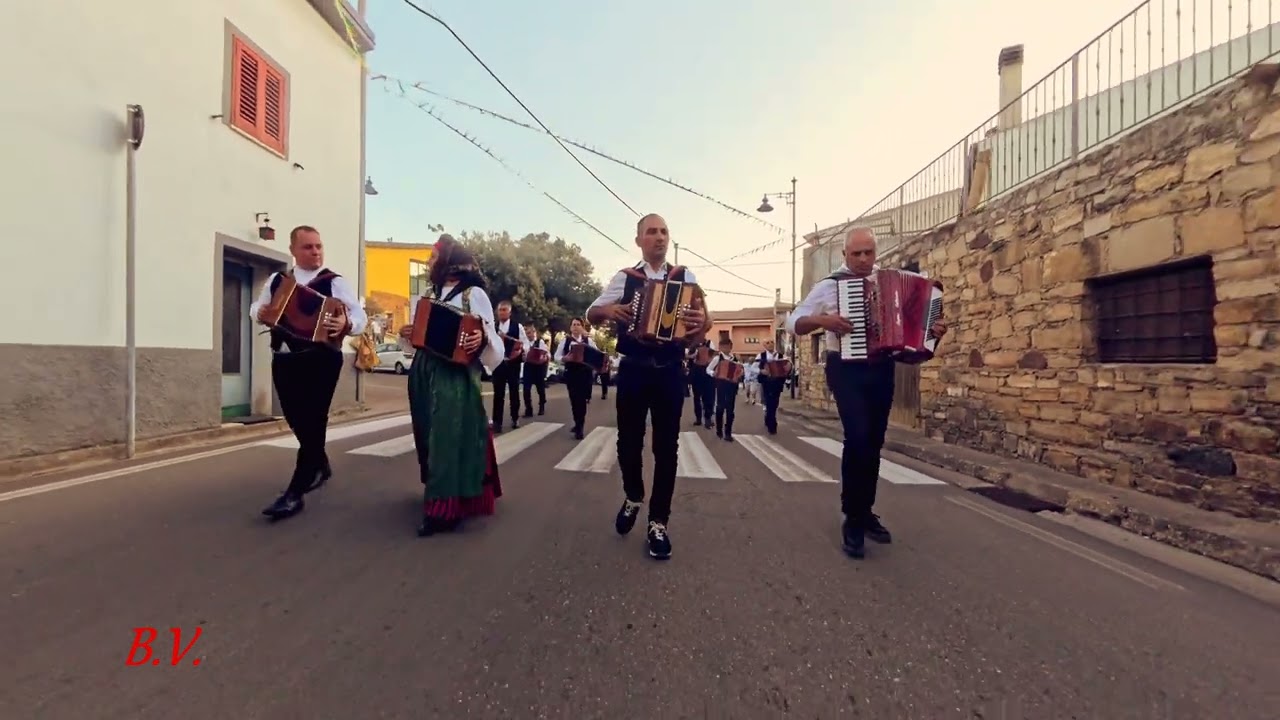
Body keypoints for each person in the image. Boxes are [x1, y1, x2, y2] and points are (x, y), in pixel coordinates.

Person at [786, 226, 948, 559]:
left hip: (882, 368)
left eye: (868, 253)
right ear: (844, 255)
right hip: (845, 368)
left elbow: (916, 338)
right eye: (856, 253)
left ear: (875, 253)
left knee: (873, 441)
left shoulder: (890, 281)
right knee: (857, 437)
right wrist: (824, 321)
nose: (862, 259)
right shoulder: (830, 285)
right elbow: (794, 322)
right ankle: (852, 516)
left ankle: (866, 511)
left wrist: (932, 332)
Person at [586, 213, 711, 560]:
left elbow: (703, 324)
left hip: (671, 370)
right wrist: (612, 311)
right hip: (634, 370)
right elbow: (592, 313)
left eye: (664, 231)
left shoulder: (685, 277)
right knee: (627, 441)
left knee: (666, 448)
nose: (659, 237)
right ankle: (634, 494)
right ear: (639, 240)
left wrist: (703, 322)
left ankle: (659, 523)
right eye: (651, 232)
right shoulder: (626, 278)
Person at [250, 225, 368, 520]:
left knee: (314, 419)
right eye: (308, 247)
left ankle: (295, 492)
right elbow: (257, 307)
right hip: (285, 359)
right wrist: (259, 313)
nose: (316, 252)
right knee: (296, 419)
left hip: (321, 359)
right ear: (293, 250)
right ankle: (319, 460)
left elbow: (359, 315)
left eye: (318, 246)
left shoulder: (334, 282)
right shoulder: (278, 280)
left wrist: (346, 325)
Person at [404, 234, 506, 537]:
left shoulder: (473, 295)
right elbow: (414, 342)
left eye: (434, 258)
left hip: (455, 376)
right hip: (423, 371)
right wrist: (407, 333)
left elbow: (494, 342)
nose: (429, 262)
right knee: (427, 435)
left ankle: (444, 510)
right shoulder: (429, 294)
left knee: (446, 439)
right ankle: (442, 491)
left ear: (449, 262)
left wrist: (482, 338)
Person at [553, 318, 598, 440]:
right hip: (572, 373)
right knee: (574, 399)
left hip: (585, 373)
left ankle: (580, 427)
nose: (576, 326)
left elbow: (597, 353)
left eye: (578, 324)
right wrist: (564, 359)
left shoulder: (588, 340)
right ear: (570, 327)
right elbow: (556, 356)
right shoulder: (566, 341)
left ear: (582, 327)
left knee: (582, 400)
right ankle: (577, 422)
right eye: (574, 324)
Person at [490, 300, 525, 432]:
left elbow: (524, 343)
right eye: (500, 310)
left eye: (505, 310)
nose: (502, 312)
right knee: (498, 393)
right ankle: (497, 422)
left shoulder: (518, 327)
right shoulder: (493, 326)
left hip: (513, 364)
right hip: (498, 363)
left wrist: (521, 351)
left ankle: (514, 418)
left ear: (509, 312)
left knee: (514, 391)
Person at [705, 338, 742, 441]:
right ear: (720, 347)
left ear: (731, 347)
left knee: (730, 410)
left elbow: (739, 370)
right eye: (724, 346)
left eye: (728, 346)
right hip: (721, 383)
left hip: (732, 385)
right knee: (720, 407)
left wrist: (739, 374)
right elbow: (708, 369)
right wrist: (714, 374)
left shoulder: (735, 358)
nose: (726, 348)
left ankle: (728, 433)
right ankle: (719, 430)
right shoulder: (717, 358)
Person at [756, 339, 786, 434]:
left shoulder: (781, 356)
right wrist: (761, 371)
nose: (770, 344)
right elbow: (753, 367)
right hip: (766, 382)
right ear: (764, 345)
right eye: (767, 343)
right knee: (769, 402)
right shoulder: (761, 355)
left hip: (777, 382)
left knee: (775, 402)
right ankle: (772, 425)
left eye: (772, 342)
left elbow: (788, 365)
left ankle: (769, 417)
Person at [520, 324, 548, 417]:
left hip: (539, 367)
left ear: (534, 332)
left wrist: (542, 358)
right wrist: (523, 357)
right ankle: (529, 409)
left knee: (540, 389)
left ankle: (542, 407)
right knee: (526, 389)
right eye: (526, 333)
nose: (528, 335)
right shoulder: (524, 343)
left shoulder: (540, 342)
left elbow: (547, 355)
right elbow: (522, 356)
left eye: (529, 333)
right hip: (528, 366)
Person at [687, 340, 714, 428]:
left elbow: (713, 355)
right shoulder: (693, 344)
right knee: (697, 397)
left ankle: (708, 418)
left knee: (708, 396)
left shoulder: (710, 343)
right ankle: (698, 418)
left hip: (707, 370)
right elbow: (689, 356)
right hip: (696, 371)